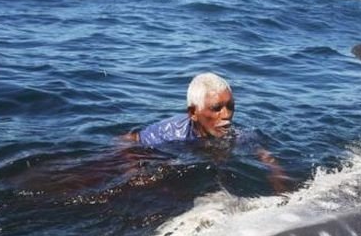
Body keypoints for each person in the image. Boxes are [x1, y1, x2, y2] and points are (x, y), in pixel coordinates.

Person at [123, 72, 287, 191]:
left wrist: (278, 176)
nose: (227, 115)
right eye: (216, 109)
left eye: (230, 106)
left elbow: (264, 155)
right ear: (193, 113)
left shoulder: (236, 135)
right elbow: (128, 139)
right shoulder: (169, 133)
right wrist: (133, 170)